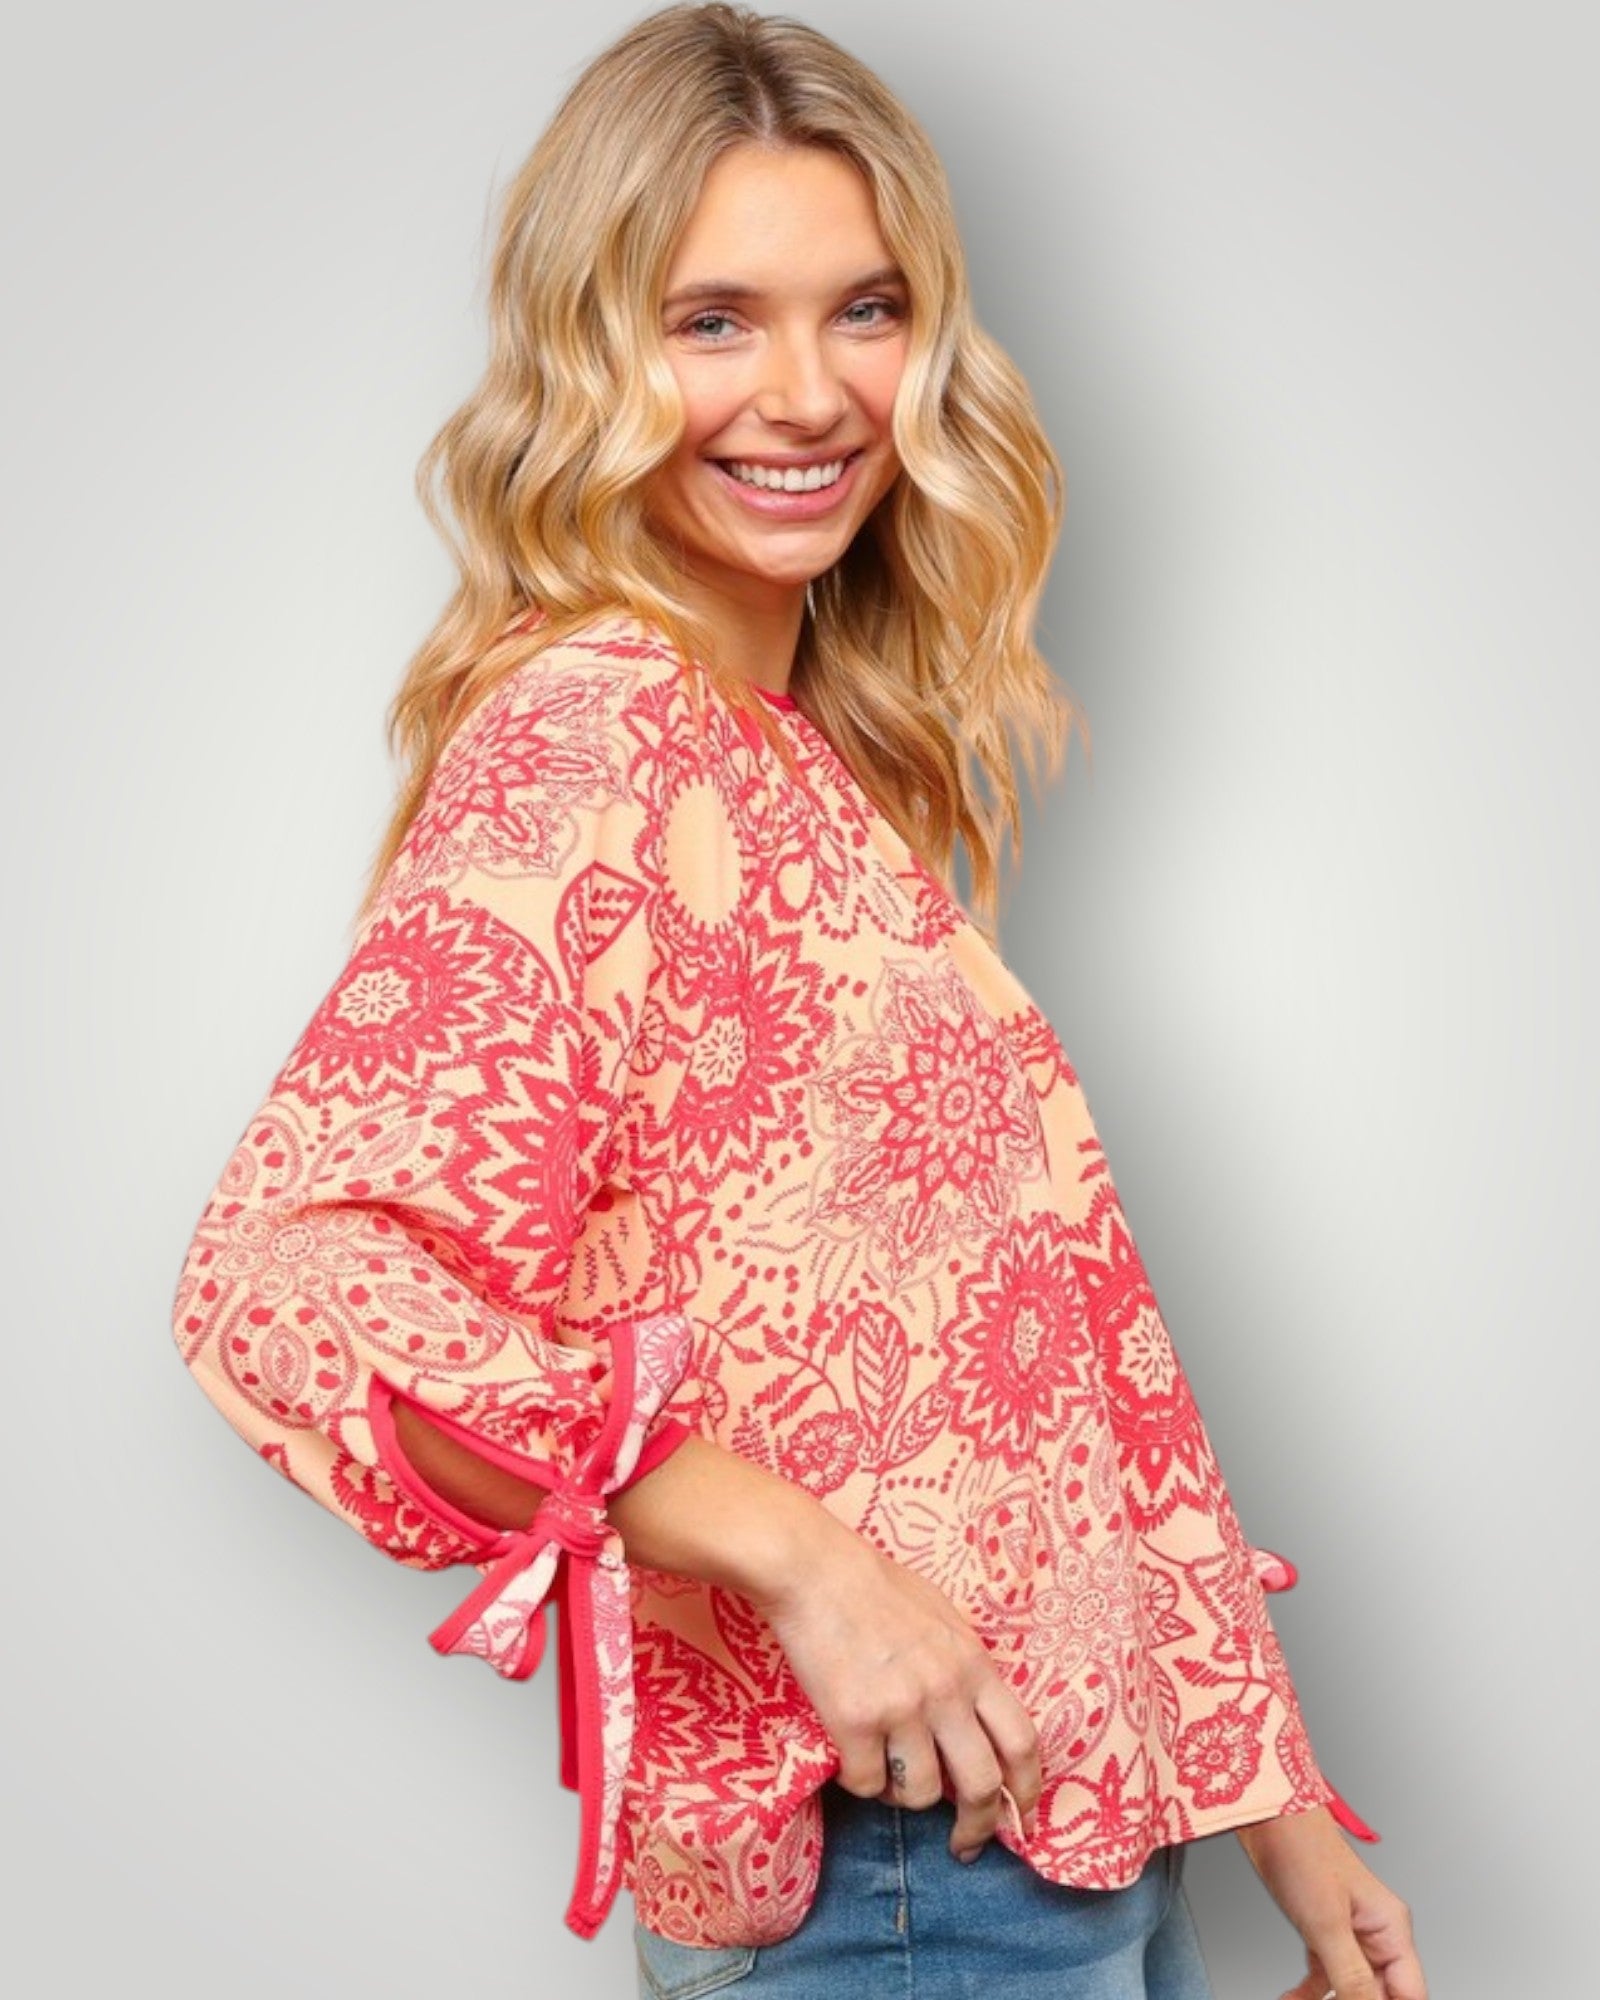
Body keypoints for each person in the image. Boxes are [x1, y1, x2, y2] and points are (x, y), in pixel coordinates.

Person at [169, 7, 1428, 1997]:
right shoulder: (597, 732)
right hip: (895, 1881)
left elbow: (1049, 1356)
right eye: (712, 322)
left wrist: (1268, 1793)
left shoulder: (788, 763)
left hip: (1068, 1850)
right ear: (591, 355)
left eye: (864, 309)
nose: (808, 392)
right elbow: (290, 1280)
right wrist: (794, 1554)